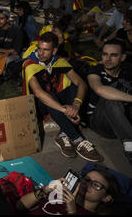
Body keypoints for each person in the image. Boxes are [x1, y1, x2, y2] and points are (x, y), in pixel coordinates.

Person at [22, 32, 103, 162]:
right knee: (50, 95)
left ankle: (63, 134)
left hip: (57, 102)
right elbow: (39, 93)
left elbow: (80, 83)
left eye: (45, 50)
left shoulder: (58, 61)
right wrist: (66, 111)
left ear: (54, 51)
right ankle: (77, 139)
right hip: (39, 105)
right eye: (39, 48)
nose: (41, 53)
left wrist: (76, 105)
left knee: (74, 88)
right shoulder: (30, 64)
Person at [0, 168, 119, 215]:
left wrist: (71, 210)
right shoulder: (60, 194)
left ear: (107, 198)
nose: (87, 185)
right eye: (86, 179)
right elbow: (20, 206)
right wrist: (46, 190)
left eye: (96, 185)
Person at [87, 40, 132, 165]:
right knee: (110, 99)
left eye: (113, 55)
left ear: (122, 57)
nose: (107, 59)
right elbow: (100, 89)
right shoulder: (95, 71)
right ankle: (130, 147)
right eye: (105, 54)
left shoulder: (128, 69)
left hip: (124, 119)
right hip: (101, 121)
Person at [0, 9, 24, 75]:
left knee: (9, 61)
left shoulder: (16, 30)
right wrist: (6, 51)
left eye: (1, 18)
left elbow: (16, 51)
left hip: (10, 56)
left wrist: (7, 52)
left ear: (7, 20)